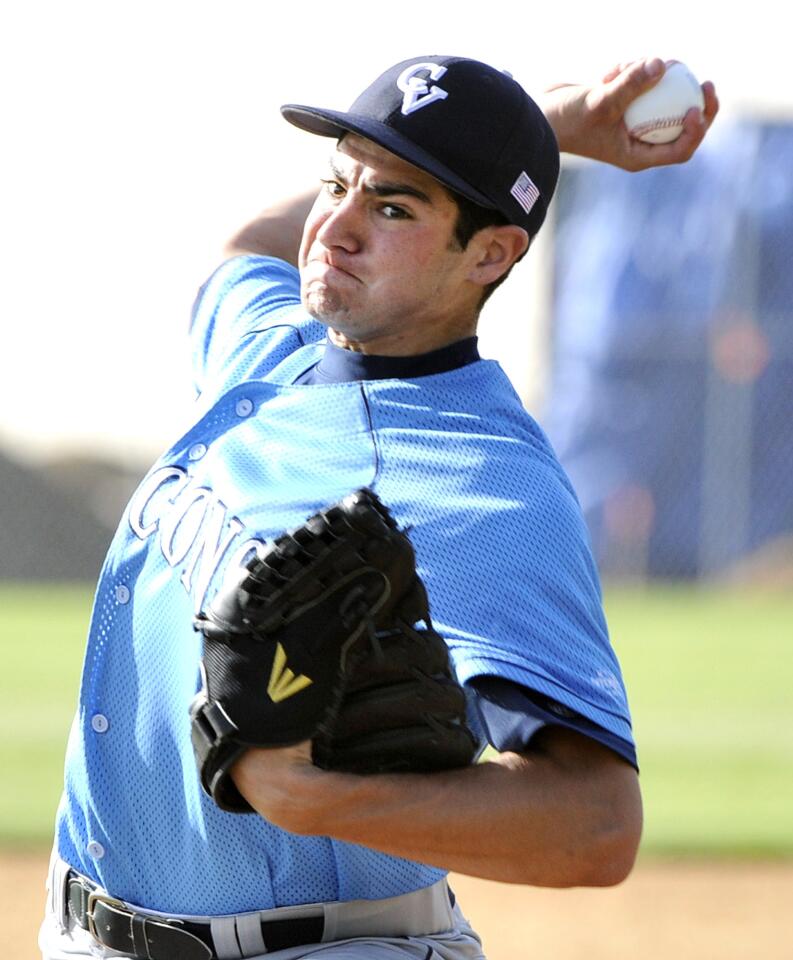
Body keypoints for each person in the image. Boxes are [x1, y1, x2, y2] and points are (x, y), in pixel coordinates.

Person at [41, 55, 718, 960]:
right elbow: (250, 243)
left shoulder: (483, 486)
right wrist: (539, 127)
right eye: (338, 182)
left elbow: (597, 824)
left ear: (492, 251)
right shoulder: (277, 354)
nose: (335, 229)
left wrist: (315, 799)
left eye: (392, 206)